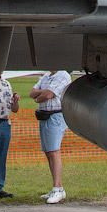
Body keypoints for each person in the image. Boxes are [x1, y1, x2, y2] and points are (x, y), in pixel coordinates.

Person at [30, 69, 72, 204]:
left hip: (55, 116)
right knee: (48, 152)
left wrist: (40, 95)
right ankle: (57, 186)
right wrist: (41, 94)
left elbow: (48, 94)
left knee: (54, 151)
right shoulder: (46, 76)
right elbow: (32, 92)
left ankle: (58, 188)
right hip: (44, 116)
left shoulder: (63, 75)